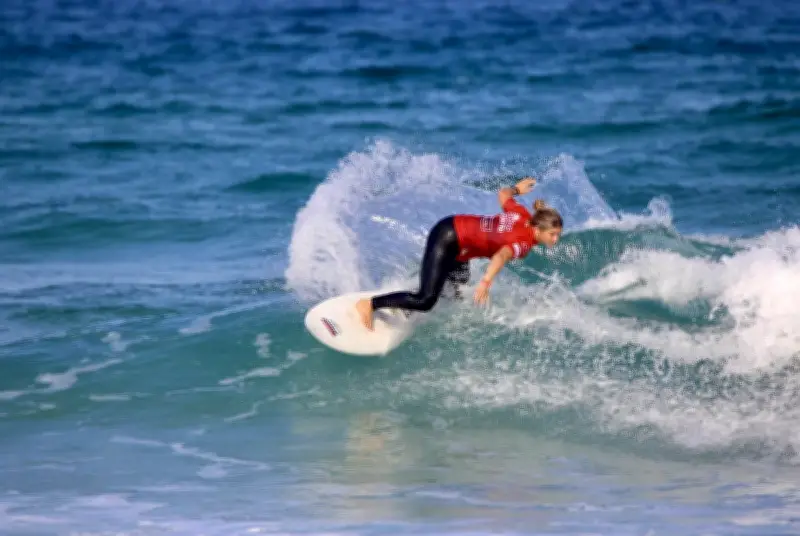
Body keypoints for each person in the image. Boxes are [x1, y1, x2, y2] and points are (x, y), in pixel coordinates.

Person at [355, 177, 563, 330]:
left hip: (460, 242)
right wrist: (486, 282)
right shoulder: (524, 243)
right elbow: (502, 255)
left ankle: (409, 302)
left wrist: (516, 188)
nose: (556, 239)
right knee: (426, 301)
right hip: (447, 238)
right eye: (553, 234)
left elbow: (503, 194)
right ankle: (371, 304)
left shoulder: (523, 215)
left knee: (454, 293)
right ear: (538, 230)